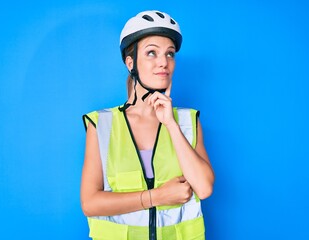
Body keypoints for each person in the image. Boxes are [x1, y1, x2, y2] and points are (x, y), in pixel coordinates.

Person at [81, 10, 214, 240]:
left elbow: (204, 188)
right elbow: (90, 203)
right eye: (152, 53)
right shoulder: (102, 123)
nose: (164, 62)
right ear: (130, 62)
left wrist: (170, 124)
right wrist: (157, 196)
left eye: (170, 54)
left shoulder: (187, 120)